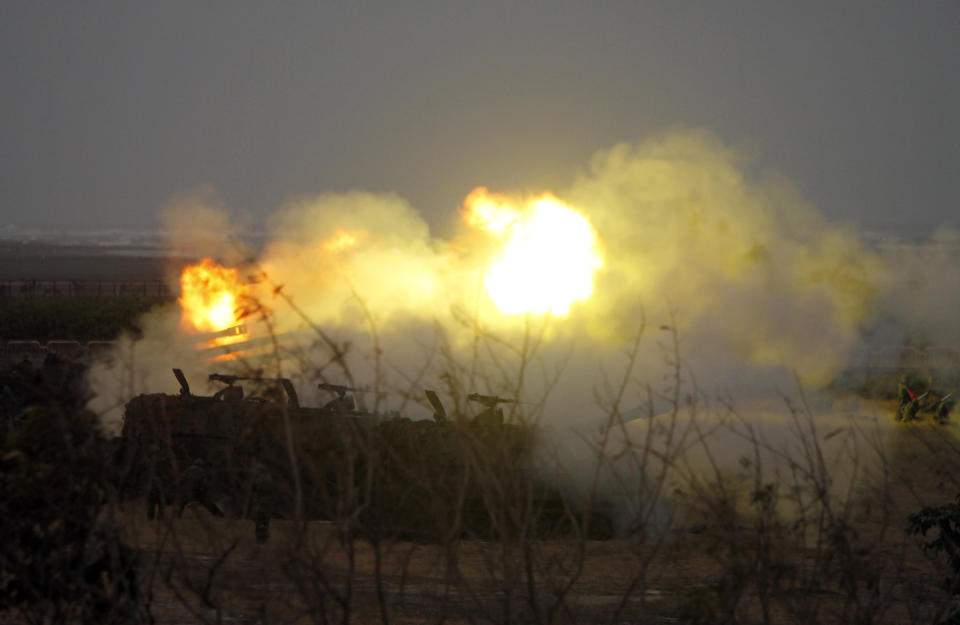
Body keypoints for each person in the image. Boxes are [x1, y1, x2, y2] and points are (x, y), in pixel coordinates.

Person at [250, 461, 274, 544]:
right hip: (267, 502)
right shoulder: (269, 478)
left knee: (260, 520)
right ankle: (263, 537)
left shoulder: (260, 479)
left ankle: (260, 537)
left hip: (261, 502)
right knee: (265, 521)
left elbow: (255, 489)